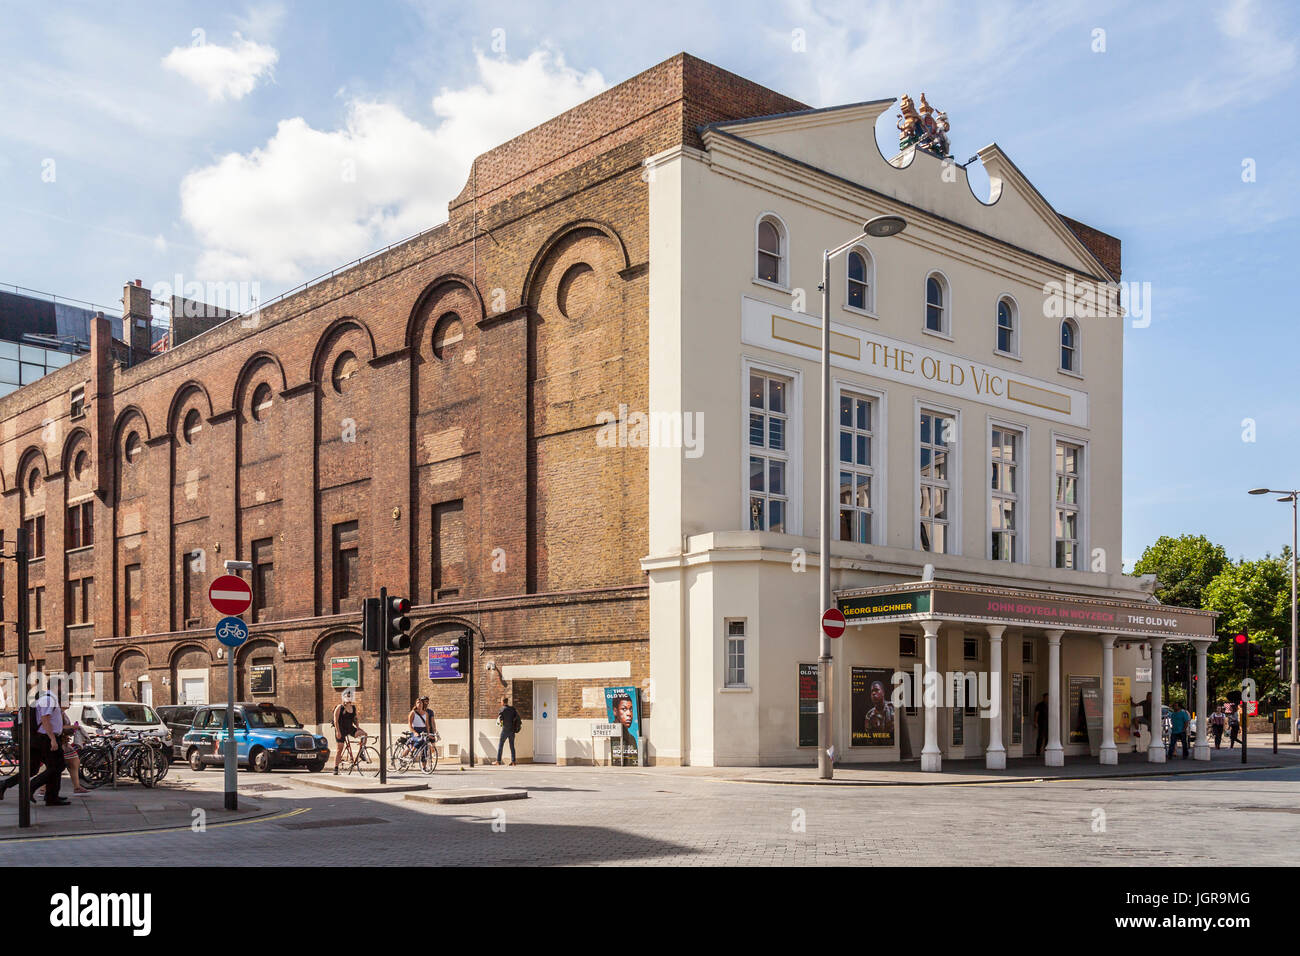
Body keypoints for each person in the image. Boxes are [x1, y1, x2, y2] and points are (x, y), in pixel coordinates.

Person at [0, 688, 70, 805]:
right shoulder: (48, 700)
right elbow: (45, 719)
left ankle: (5, 785)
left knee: (34, 769)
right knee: (57, 765)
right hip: (45, 738)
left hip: (37, 738)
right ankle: (32, 787)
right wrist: (53, 739)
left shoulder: (43, 701)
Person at [331, 692, 368, 775]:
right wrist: (338, 731)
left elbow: (355, 719)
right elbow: (335, 721)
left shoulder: (353, 708)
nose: (349, 698)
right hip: (341, 729)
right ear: (343, 698)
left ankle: (361, 753)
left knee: (364, 734)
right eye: (347, 697)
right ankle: (336, 768)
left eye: (350, 697)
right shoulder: (339, 707)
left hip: (350, 728)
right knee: (339, 749)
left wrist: (358, 727)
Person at [496, 696, 519, 766]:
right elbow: (516, 718)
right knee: (512, 746)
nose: (500, 703)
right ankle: (513, 761)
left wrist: (501, 723)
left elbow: (500, 719)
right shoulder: (513, 709)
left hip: (505, 730)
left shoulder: (502, 710)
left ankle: (498, 761)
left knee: (500, 745)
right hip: (512, 730)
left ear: (503, 702)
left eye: (501, 701)